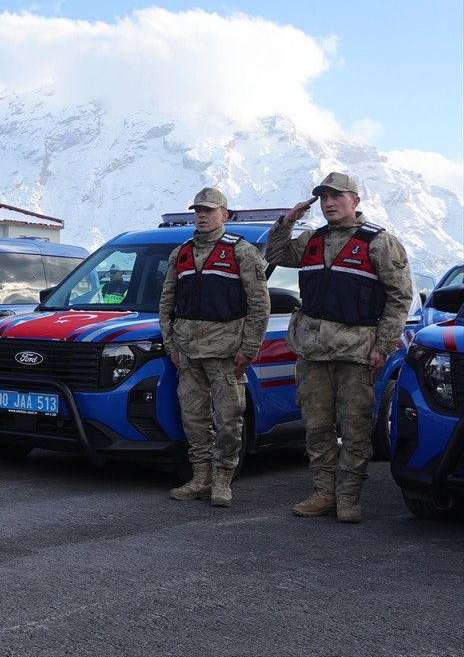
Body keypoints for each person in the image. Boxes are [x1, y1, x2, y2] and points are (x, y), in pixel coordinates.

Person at [266, 172, 412, 523]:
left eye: (337, 196)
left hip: (356, 352)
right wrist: (288, 221)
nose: (329, 203)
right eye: (324, 197)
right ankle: (323, 493)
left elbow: (399, 297)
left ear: (355, 201)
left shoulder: (379, 242)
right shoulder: (311, 240)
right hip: (313, 351)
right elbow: (274, 253)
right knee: (316, 426)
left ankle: (348, 497)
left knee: (355, 427)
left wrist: (384, 345)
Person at [159, 187, 269, 507]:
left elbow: (259, 304)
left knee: (229, 419)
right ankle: (200, 477)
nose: (202, 216)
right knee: (193, 419)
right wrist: (171, 345)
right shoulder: (180, 252)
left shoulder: (241, 252)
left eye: (209, 210)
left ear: (225, 215)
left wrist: (249, 347)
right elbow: (167, 302)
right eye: (197, 211)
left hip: (225, 353)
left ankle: (223, 480)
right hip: (188, 353)